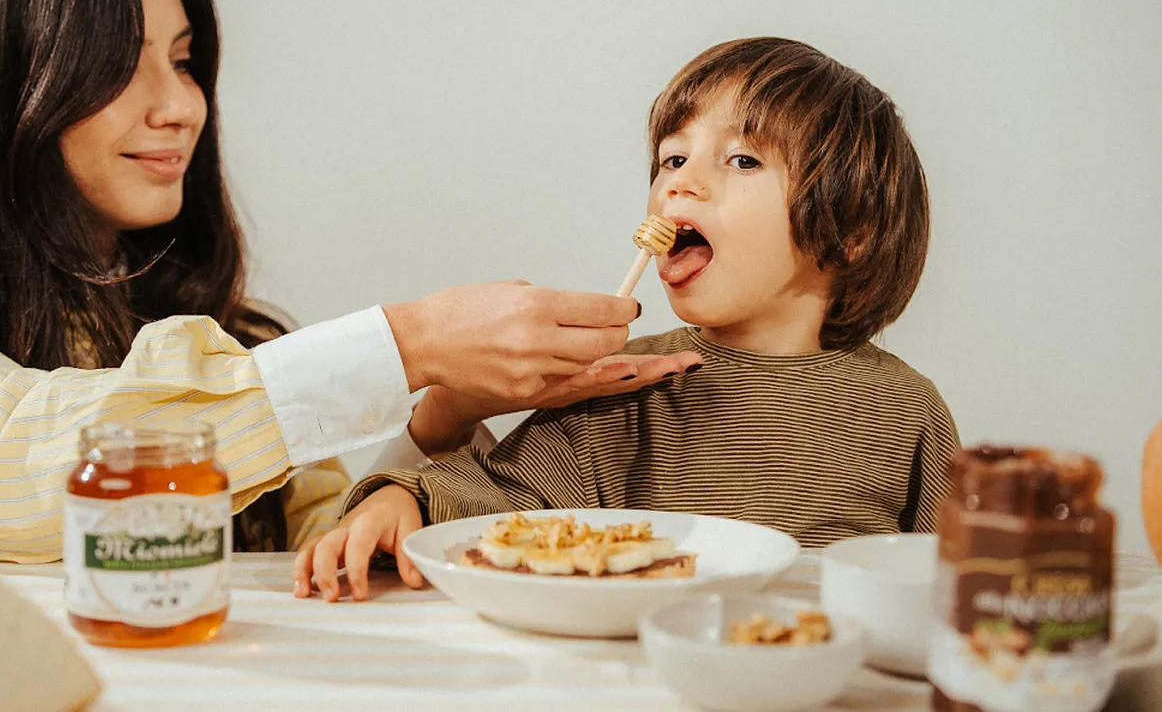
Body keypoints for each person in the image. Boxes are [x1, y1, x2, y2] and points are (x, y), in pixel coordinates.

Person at [0, 0, 699, 562]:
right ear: (0, 86)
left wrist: (445, 411)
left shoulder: (235, 347)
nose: (182, 108)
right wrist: (402, 344)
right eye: (123, 62)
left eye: (186, 60)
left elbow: (319, 565)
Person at [296, 37, 960, 601]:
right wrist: (403, 501)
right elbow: (495, 503)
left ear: (853, 232)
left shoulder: (908, 411)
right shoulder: (626, 386)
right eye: (674, 158)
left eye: (742, 159)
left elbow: (953, 584)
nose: (680, 182)